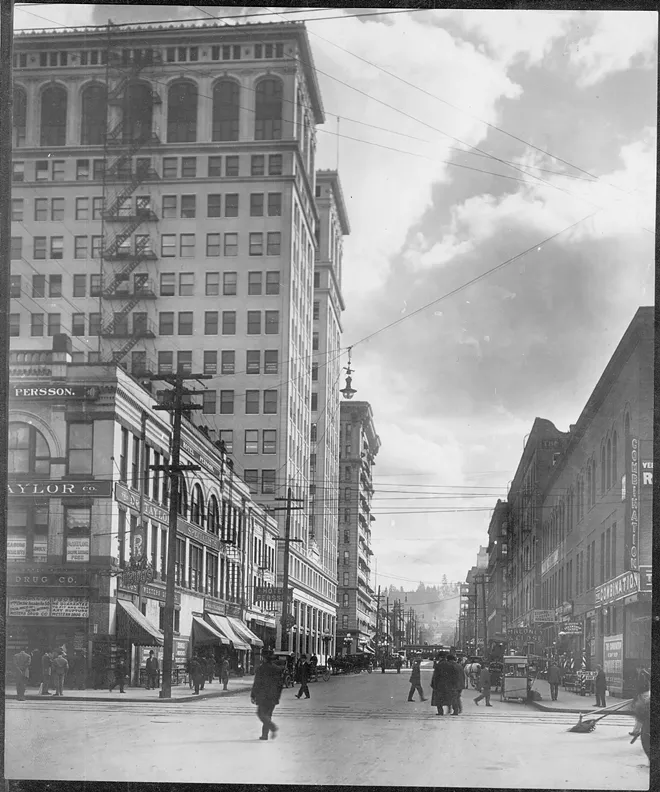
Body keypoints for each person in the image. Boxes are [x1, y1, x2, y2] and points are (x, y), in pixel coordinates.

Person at [251, 649, 283, 741]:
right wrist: (278, 696)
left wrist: (253, 695)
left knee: (261, 714)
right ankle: (264, 735)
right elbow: (280, 685)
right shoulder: (277, 669)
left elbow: (257, 683)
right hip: (273, 696)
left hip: (263, 696)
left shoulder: (261, 669)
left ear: (264, 658)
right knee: (268, 715)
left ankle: (272, 728)